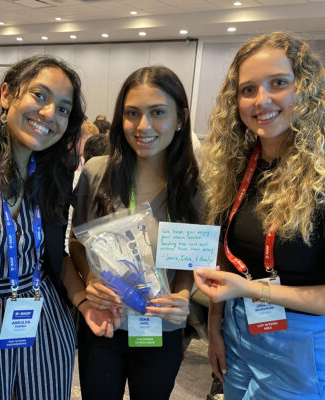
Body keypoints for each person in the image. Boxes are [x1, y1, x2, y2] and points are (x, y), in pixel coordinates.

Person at [0, 55, 114, 400]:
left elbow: (53, 258)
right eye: (39, 96)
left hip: (45, 327)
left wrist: (84, 301)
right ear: (7, 95)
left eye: (63, 109)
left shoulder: (52, 176)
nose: (49, 114)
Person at [194, 32, 325, 399]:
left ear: (305, 89)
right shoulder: (236, 167)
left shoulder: (321, 175)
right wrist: (215, 328)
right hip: (239, 329)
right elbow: (226, 260)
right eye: (248, 89)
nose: (261, 100)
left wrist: (250, 289)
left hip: (300, 344)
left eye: (278, 83)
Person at [69, 66, 201, 400]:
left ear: (181, 118)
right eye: (132, 114)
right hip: (104, 325)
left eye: (158, 112)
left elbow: (189, 262)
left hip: (161, 329)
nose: (143, 127)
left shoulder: (194, 187)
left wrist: (184, 295)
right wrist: (89, 282)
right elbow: (76, 243)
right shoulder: (97, 173)